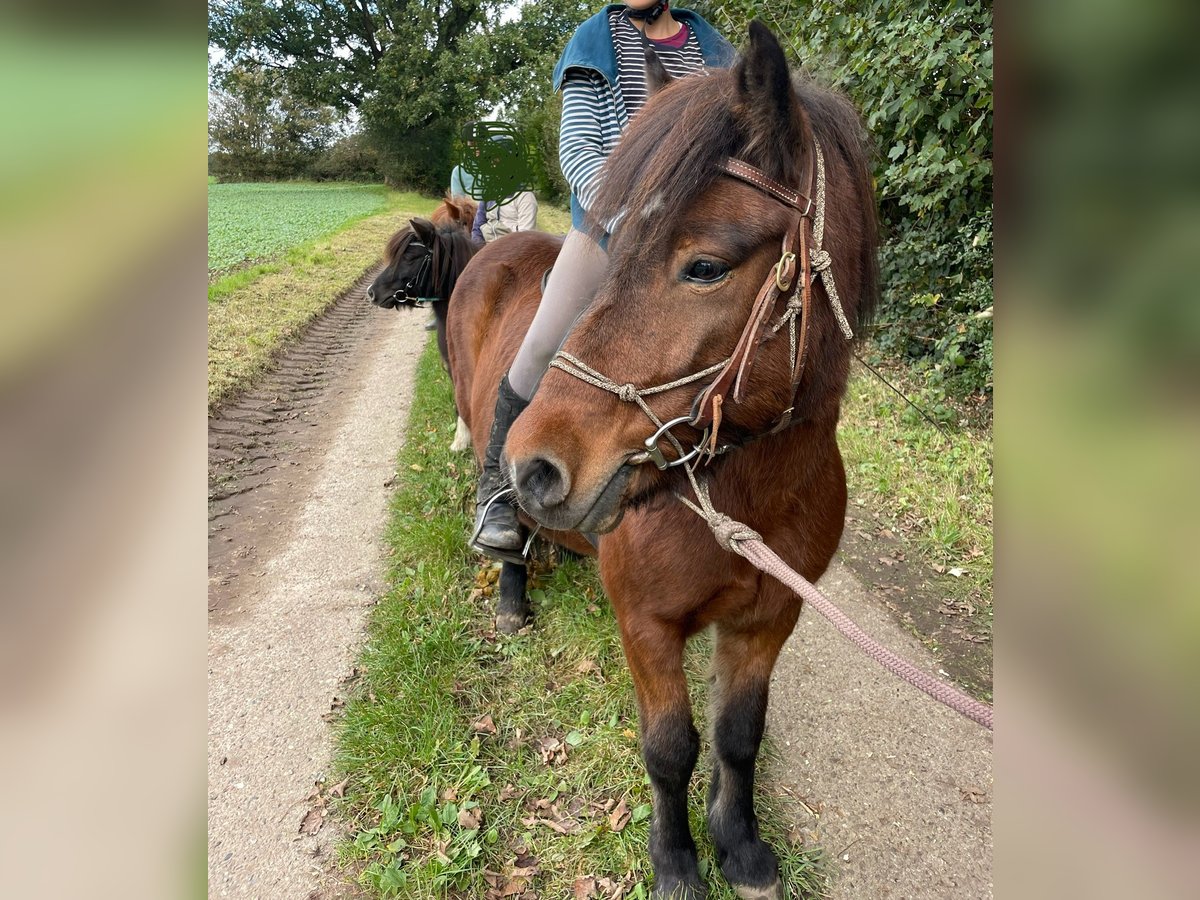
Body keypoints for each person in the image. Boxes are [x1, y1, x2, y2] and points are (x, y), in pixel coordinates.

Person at [470, 1, 734, 561]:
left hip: (697, 235)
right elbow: (578, 151)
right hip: (610, 225)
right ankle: (495, 491)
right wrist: (631, 218)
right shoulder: (594, 42)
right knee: (542, 341)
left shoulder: (710, 47)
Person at [470, 189, 539, 243]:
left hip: (512, 252)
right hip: (486, 249)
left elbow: (524, 236)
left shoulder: (525, 196)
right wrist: (479, 250)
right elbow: (477, 227)